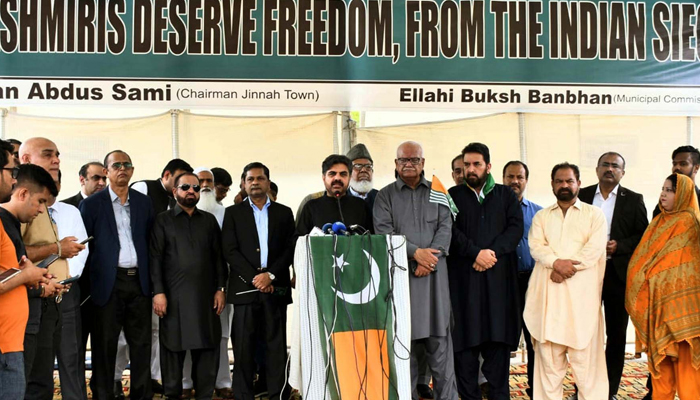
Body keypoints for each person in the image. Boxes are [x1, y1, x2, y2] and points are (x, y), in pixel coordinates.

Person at [374, 141, 458, 400]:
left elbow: (446, 226)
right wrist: (415, 255)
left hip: (434, 284)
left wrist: (428, 259)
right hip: (401, 282)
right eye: (403, 160)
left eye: (414, 160)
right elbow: (384, 234)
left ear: (423, 163)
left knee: (441, 351)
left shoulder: (437, 191)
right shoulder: (384, 196)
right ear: (396, 164)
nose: (409, 164)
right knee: (403, 350)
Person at [524, 163, 608, 399]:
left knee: (587, 369)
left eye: (569, 181)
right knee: (549, 368)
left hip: (582, 303)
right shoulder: (541, 216)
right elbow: (536, 247)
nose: (564, 185)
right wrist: (555, 263)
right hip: (548, 302)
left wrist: (562, 267)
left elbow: (593, 251)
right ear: (552, 185)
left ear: (578, 184)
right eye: (559, 181)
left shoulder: (594, 215)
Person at [448, 144, 523, 400]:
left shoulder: (505, 195)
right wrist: (474, 253)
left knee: (497, 356)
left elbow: (515, 230)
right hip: (464, 287)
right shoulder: (452, 195)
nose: (470, 169)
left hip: (497, 286)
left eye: (476, 164)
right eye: (466, 164)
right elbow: (449, 231)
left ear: (488, 167)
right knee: (465, 358)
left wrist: (490, 253)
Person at [80, 150, 155, 400]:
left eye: (127, 165)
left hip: (139, 283)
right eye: (116, 165)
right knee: (104, 345)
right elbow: (85, 249)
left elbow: (151, 244)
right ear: (106, 171)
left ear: (132, 170)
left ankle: (141, 395)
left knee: (142, 345)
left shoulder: (144, 203)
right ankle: (103, 394)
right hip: (107, 285)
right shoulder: (91, 205)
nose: (122, 169)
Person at [150, 172, 228, 400]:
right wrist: (159, 293)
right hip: (173, 298)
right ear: (175, 192)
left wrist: (220, 289)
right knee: (172, 350)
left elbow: (218, 259)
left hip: (206, 298)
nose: (192, 191)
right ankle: (172, 394)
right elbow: (155, 259)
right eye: (186, 187)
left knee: (207, 348)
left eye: (195, 188)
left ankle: (204, 395)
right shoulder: (162, 220)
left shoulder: (209, 221)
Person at [222, 162, 296, 400]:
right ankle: (243, 394)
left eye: (260, 178)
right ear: (244, 184)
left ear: (268, 182)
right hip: (245, 289)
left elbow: (289, 248)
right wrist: (256, 278)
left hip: (275, 287)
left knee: (276, 346)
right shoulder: (232, 214)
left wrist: (270, 275)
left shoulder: (284, 213)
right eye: (250, 179)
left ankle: (278, 393)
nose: (255, 182)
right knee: (243, 347)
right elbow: (230, 251)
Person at [578, 152, 648, 399]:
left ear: (623, 172)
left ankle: (608, 391)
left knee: (616, 336)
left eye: (615, 166)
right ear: (597, 169)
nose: (610, 169)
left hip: (618, 274)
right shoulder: (582, 195)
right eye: (605, 165)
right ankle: (584, 389)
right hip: (586, 274)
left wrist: (620, 246)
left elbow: (643, 235)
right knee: (584, 334)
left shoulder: (634, 199)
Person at [19, 137, 84, 399]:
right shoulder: (18, 204)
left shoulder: (51, 207)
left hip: (57, 295)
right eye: (47, 155)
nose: (56, 160)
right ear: (25, 160)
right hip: (30, 298)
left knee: (48, 373)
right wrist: (56, 249)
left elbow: (77, 252)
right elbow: (15, 254)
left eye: (57, 154)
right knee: (33, 378)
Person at [627, 173, 700, 399]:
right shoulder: (658, 222)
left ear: (684, 195)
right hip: (657, 310)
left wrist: (656, 277)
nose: (663, 194)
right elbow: (644, 259)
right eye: (663, 188)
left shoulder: (689, 223)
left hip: (684, 316)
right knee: (660, 376)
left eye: (670, 190)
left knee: (689, 377)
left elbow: (687, 268)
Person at [130, 158, 193, 393]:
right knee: (126, 335)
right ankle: (117, 378)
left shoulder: (178, 201)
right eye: (179, 181)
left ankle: (154, 377)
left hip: (163, 275)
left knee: (156, 329)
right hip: (135, 272)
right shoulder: (143, 188)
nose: (185, 187)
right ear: (166, 175)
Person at [0, 149, 51, 400]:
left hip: (11, 341)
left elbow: (10, 272)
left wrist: (33, 277)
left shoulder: (7, 223)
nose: (13, 180)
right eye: (12, 172)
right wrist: (29, 277)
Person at [180, 167, 233, 399]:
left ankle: (222, 382)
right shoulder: (178, 215)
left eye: (208, 181)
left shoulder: (227, 214)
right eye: (199, 181)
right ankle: (185, 382)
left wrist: (221, 286)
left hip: (221, 285)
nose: (204, 185)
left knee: (221, 335)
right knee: (187, 333)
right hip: (188, 287)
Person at [48, 172, 91, 400]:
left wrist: (63, 280)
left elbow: (80, 251)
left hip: (66, 291)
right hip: (36, 291)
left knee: (71, 356)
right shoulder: (26, 212)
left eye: (54, 182)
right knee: (40, 361)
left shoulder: (70, 211)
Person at [502, 160, 542, 399]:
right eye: (510, 177)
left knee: (534, 337)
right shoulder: (495, 209)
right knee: (504, 339)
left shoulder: (539, 212)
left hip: (533, 282)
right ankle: (499, 388)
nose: (515, 181)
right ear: (502, 178)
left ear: (526, 180)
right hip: (504, 283)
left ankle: (536, 388)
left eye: (520, 177)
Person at [296, 154, 373, 236]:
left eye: (343, 174)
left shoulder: (361, 206)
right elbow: (298, 242)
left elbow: (372, 239)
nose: (337, 178)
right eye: (332, 174)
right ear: (323, 178)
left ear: (349, 178)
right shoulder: (311, 207)